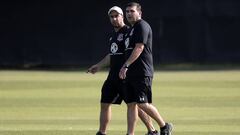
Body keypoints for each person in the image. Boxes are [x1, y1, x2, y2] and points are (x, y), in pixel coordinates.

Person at [87, 6, 159, 135]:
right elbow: (112, 55)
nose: (114, 19)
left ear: (122, 16)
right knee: (105, 103)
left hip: (126, 76)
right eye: (111, 16)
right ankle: (102, 132)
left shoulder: (129, 31)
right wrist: (98, 66)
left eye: (117, 16)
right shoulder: (113, 36)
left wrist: (127, 67)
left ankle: (151, 130)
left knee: (135, 104)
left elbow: (138, 48)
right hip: (113, 76)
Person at [119, 2, 173, 135]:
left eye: (132, 11)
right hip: (131, 73)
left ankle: (164, 126)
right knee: (132, 104)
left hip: (142, 72)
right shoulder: (131, 29)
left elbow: (139, 47)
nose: (129, 14)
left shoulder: (142, 26)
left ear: (139, 13)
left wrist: (126, 65)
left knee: (142, 103)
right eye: (127, 12)